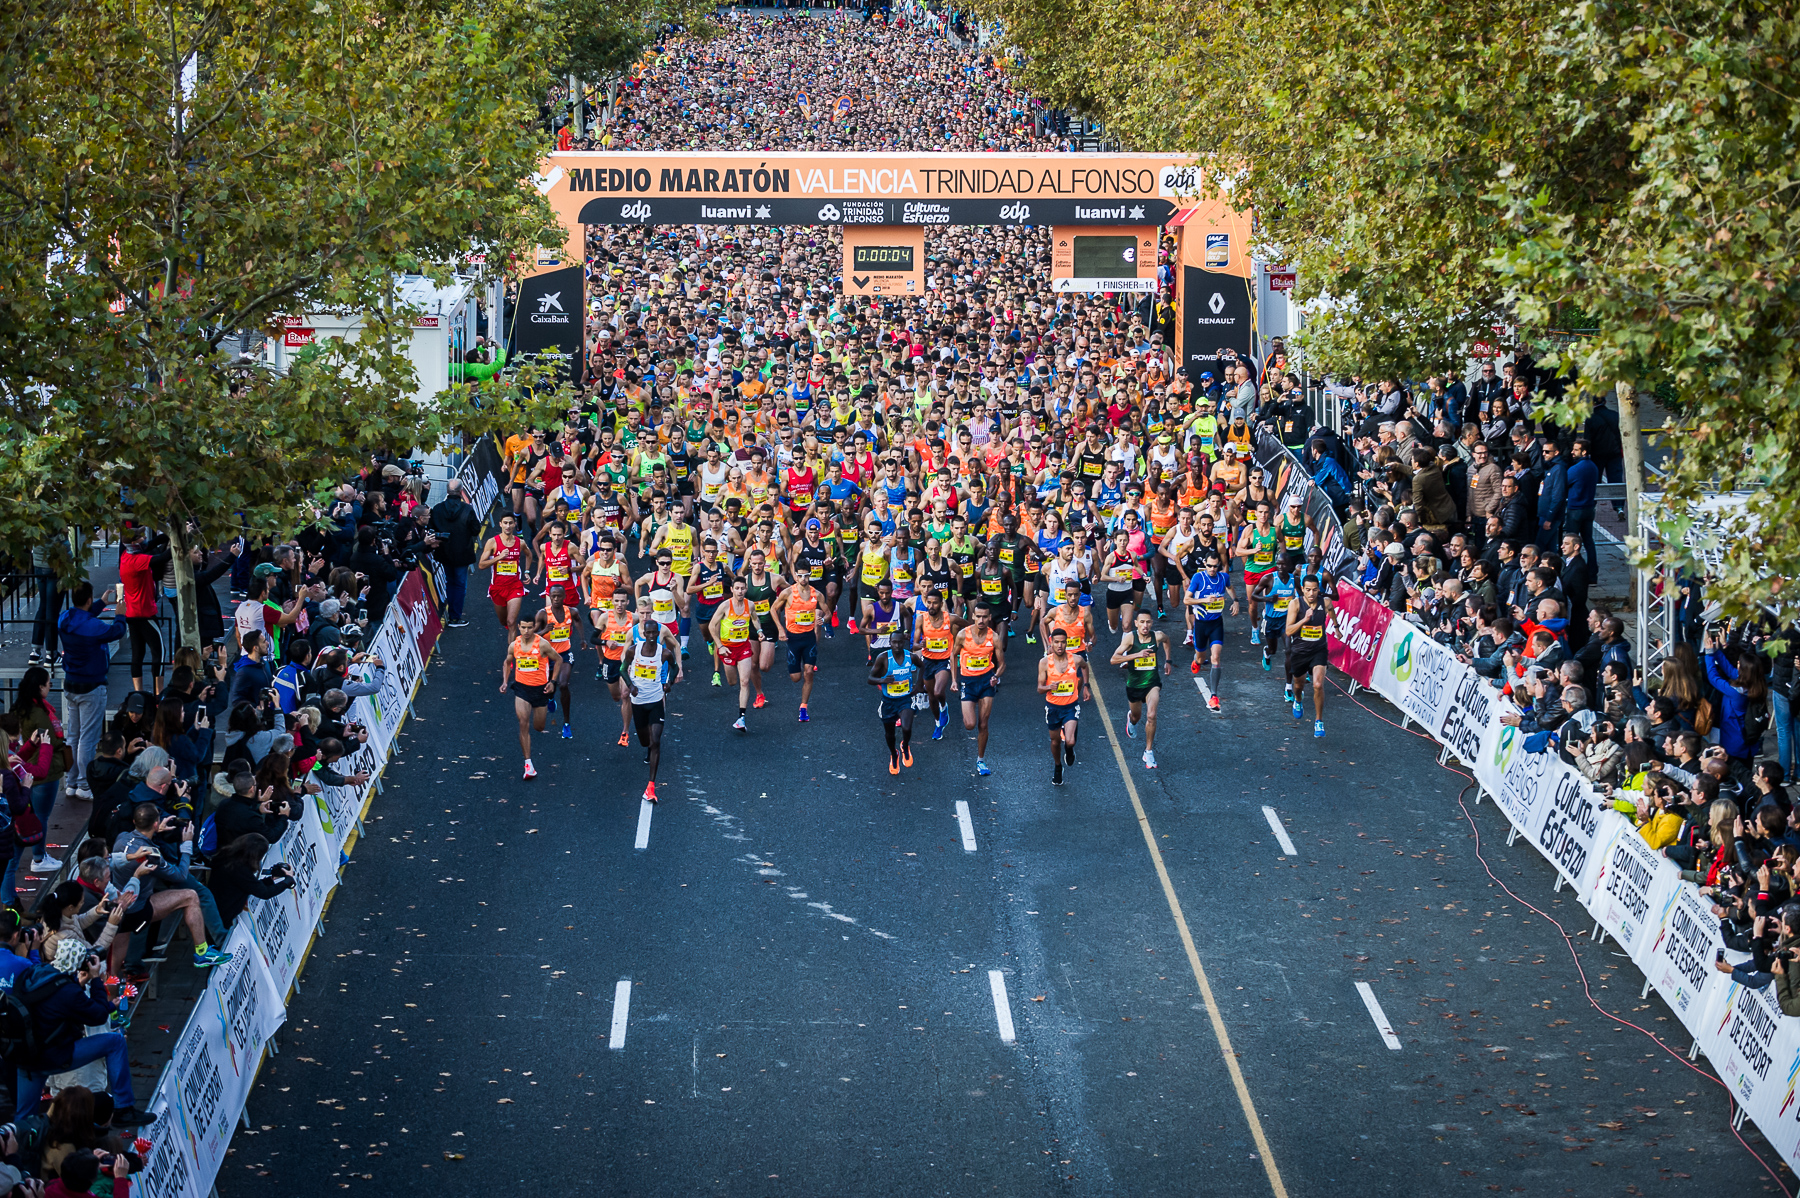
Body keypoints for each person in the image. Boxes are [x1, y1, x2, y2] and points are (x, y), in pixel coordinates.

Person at [14, 936, 154, 1124]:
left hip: (26, 1057)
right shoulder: (68, 992)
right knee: (115, 1042)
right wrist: (95, 979)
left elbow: (53, 1003)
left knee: (23, 1117)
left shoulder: (33, 974)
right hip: (55, 1056)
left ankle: (20, 1148)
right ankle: (124, 1109)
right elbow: (97, 1016)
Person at [56, 581, 126, 801]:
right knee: (88, 738)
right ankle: (86, 786)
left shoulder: (64, 618)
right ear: (88, 599)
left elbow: (82, 617)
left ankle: (71, 782)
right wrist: (120, 614)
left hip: (71, 683)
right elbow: (116, 631)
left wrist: (101, 603)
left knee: (73, 736)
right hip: (92, 686)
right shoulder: (93, 629)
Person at [625, 598, 680, 803]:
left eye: (653, 633)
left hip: (656, 700)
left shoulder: (664, 653)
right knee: (645, 741)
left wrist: (669, 683)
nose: (649, 636)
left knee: (656, 741)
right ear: (643, 633)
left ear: (658, 634)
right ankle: (647, 747)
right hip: (638, 702)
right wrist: (630, 685)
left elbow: (673, 668)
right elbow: (623, 669)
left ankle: (651, 786)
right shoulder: (634, 650)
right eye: (647, 633)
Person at [500, 617, 560, 780]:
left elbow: (558, 660)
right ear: (519, 627)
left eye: (529, 628)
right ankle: (528, 764)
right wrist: (505, 682)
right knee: (523, 722)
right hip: (522, 689)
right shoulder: (514, 645)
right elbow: (507, 662)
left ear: (534, 628)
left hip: (540, 690)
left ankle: (550, 700)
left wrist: (553, 682)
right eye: (523, 627)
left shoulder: (542, 644)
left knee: (539, 727)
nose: (526, 631)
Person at [1110, 609, 1172, 770]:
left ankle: (1149, 752)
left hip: (1152, 684)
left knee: (1151, 715)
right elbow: (1114, 659)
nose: (1145, 625)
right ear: (1136, 623)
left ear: (1152, 623)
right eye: (1142, 622)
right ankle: (1131, 718)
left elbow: (1167, 641)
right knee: (1137, 716)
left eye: (1148, 622)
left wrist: (1168, 660)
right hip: (1134, 685)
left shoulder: (1156, 636)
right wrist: (1135, 655)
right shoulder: (1130, 638)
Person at [952, 602, 1005, 777]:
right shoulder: (962, 635)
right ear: (973, 617)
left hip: (986, 681)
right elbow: (953, 656)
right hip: (967, 681)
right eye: (978, 616)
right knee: (970, 724)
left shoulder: (994, 637)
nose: (981, 620)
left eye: (985, 617)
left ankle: (980, 760)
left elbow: (1002, 664)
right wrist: (954, 680)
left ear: (989, 618)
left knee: (983, 723)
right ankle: (969, 706)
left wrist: (996, 676)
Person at [708, 575, 763, 732]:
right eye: (737, 588)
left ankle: (741, 717)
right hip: (727, 649)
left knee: (745, 681)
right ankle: (741, 716)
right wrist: (719, 646)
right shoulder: (725, 606)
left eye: (742, 588)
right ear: (732, 590)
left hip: (743, 647)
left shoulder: (750, 605)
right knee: (732, 682)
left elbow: (755, 618)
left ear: (746, 589)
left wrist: (759, 631)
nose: (740, 591)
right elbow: (712, 626)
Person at [1184, 548, 1237, 712]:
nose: (1213, 569)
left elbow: (1229, 587)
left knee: (1215, 657)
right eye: (1210, 566)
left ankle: (1214, 696)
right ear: (1205, 565)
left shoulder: (1224, 577)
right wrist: (1204, 600)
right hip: (1201, 624)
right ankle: (1197, 660)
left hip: (1216, 623)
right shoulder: (1198, 578)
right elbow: (1187, 599)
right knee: (1201, 658)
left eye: (1215, 566)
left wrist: (1235, 601)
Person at [1038, 625, 1091, 785]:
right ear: (1051, 643)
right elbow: (1040, 688)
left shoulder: (1076, 659)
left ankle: (1069, 750)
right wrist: (1049, 687)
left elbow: (1085, 666)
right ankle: (1058, 766)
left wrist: (1086, 685)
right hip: (1053, 707)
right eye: (1056, 642)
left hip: (1070, 706)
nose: (1059, 646)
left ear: (1066, 643)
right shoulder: (1044, 662)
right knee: (1054, 742)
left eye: (1062, 642)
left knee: (1070, 741)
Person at [206, 832, 295, 926]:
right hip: (222, 917)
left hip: (213, 907)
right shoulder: (240, 869)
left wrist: (271, 880)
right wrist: (287, 882)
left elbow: (249, 885)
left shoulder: (227, 857)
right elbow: (264, 893)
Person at [1286, 573, 1334, 737]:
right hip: (1299, 651)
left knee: (1318, 684)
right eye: (1308, 590)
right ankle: (1298, 699)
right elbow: (1288, 631)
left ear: (1318, 589)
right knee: (1299, 685)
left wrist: (1337, 626)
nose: (1312, 593)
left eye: (1314, 590)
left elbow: (1331, 610)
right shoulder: (1295, 604)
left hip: (1318, 650)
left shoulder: (1325, 602)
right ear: (1302, 590)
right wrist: (1304, 620)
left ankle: (1319, 722)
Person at [429, 477, 482, 627]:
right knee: (460, 584)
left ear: (447, 491)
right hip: (462, 553)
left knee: (449, 582)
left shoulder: (438, 509)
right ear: (461, 491)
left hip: (444, 553)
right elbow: (476, 529)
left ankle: (452, 613)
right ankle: (455, 616)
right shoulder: (467, 509)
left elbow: (431, 528)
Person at [770, 572, 822, 721]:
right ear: (796, 576)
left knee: (809, 671)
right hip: (793, 638)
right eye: (800, 575)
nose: (803, 579)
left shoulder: (816, 594)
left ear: (810, 575)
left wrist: (822, 619)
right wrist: (780, 629)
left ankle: (803, 707)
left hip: (809, 638)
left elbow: (828, 612)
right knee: (795, 677)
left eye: (806, 575)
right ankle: (798, 665)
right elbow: (773, 609)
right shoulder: (787, 593)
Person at [911, 586, 961, 740]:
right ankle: (938, 723)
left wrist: (962, 643)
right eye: (929, 602)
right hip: (928, 661)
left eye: (934, 603)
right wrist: (921, 645)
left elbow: (967, 626)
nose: (931, 606)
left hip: (944, 660)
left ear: (941, 604)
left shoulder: (950, 618)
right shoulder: (921, 619)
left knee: (939, 692)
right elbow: (914, 645)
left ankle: (944, 708)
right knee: (932, 696)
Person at [867, 638, 921, 776]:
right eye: (894, 642)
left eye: (900, 642)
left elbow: (923, 666)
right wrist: (882, 680)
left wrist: (919, 685)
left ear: (904, 643)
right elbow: (870, 679)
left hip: (905, 699)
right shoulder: (883, 658)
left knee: (907, 727)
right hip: (888, 702)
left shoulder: (911, 657)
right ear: (890, 643)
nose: (897, 645)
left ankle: (905, 745)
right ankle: (894, 754)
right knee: (889, 734)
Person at [1251, 554, 1299, 688]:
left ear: (1289, 565)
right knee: (1273, 650)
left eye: (1283, 564)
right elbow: (1254, 595)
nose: (1280, 567)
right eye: (1278, 564)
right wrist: (1268, 599)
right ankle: (1267, 652)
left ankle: (1288, 686)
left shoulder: (1294, 580)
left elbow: (1301, 595)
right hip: (1271, 621)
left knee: (1289, 650)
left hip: (1286, 620)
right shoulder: (1269, 578)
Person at [477, 513, 532, 630]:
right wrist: (498, 557)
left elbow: (529, 555)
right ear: (500, 524)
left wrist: (527, 571)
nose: (508, 526)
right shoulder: (492, 542)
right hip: (497, 587)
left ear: (515, 524)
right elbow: (481, 565)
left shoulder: (520, 543)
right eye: (505, 523)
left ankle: (513, 648)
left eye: (510, 523)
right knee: (504, 621)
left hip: (515, 586)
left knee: (511, 621)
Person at [538, 586, 578, 740]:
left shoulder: (571, 611)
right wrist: (544, 631)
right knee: (550, 685)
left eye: (559, 596)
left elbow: (579, 622)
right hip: (548, 656)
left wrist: (582, 639)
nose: (556, 599)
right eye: (553, 596)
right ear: (549, 596)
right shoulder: (543, 614)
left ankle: (566, 723)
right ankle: (550, 698)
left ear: (564, 596)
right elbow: (532, 634)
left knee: (563, 684)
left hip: (565, 653)